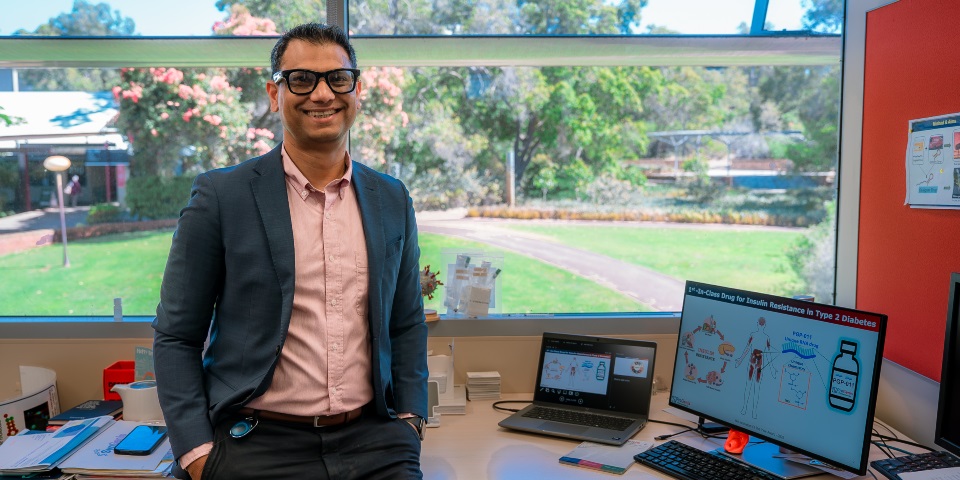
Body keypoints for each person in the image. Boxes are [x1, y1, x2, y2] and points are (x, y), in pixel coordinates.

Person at [152, 23, 428, 480]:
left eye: (337, 79)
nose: (322, 94)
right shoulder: (222, 196)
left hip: (375, 443)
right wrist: (197, 453)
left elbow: (406, 321)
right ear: (274, 94)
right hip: (256, 444)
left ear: (357, 90)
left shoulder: (391, 199)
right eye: (301, 79)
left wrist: (411, 420)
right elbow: (177, 335)